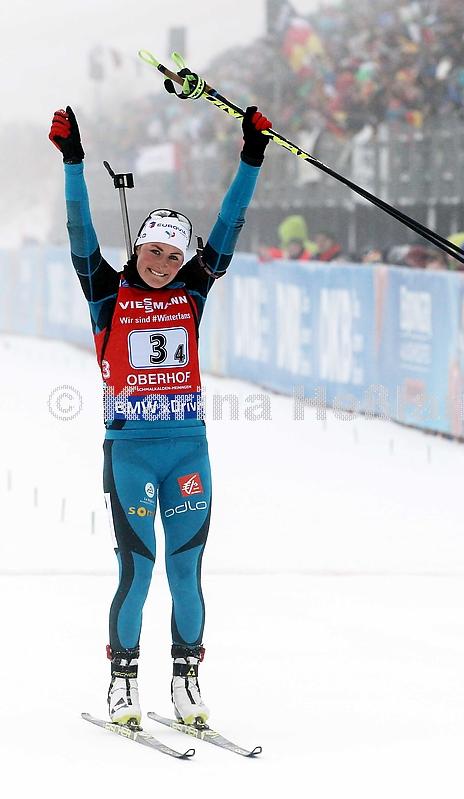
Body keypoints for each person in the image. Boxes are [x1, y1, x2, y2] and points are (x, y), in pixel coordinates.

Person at [49, 99, 271, 728]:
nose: (163, 265)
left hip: (188, 450)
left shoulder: (193, 291)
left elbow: (229, 224)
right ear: (139, 247)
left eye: (174, 258)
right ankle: (123, 684)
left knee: (187, 572)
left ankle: (186, 682)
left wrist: (251, 157)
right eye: (154, 252)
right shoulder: (106, 291)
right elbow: (79, 230)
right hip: (131, 453)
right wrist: (74, 162)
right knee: (137, 572)